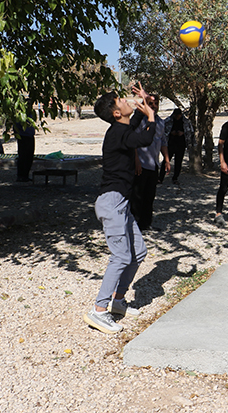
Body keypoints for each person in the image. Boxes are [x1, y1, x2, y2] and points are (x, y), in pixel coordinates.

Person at [83, 83, 156, 334]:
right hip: (111, 203)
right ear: (116, 113)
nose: (126, 100)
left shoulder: (121, 129)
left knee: (138, 252)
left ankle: (117, 301)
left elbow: (134, 128)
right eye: (121, 100)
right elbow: (145, 137)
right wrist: (151, 116)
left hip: (120, 203)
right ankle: (99, 310)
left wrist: (143, 102)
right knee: (122, 256)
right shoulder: (116, 133)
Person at [132, 94, 169, 232]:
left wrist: (166, 159)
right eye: (150, 103)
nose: (153, 106)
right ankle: (134, 225)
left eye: (155, 103)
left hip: (153, 164)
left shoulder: (160, 122)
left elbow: (162, 141)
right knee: (137, 196)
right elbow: (133, 141)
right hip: (141, 163)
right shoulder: (140, 121)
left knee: (150, 195)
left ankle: (146, 224)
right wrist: (136, 160)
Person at [161, 108, 194, 185]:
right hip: (170, 144)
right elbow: (163, 131)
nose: (177, 117)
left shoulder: (186, 122)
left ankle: (175, 178)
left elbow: (190, 133)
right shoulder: (168, 121)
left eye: (178, 115)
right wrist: (171, 133)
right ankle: (160, 177)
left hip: (181, 144)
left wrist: (183, 134)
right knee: (166, 161)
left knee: (178, 162)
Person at [14, 118, 36, 182]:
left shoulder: (29, 114)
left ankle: (26, 175)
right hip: (23, 135)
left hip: (30, 135)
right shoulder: (20, 115)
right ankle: (21, 176)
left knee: (29, 156)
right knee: (23, 155)